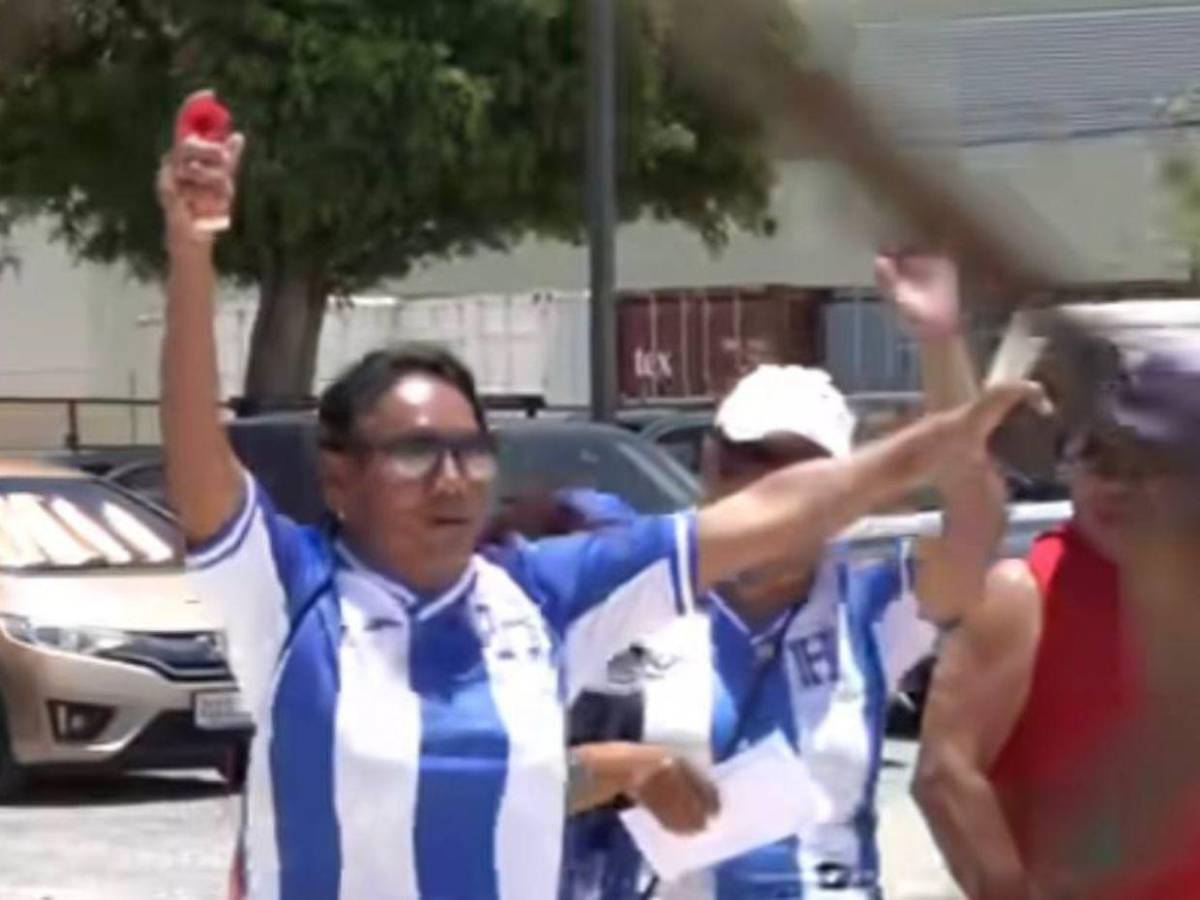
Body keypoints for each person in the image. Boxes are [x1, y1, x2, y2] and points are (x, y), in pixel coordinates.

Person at [159, 109, 1038, 900]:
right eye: (416, 452)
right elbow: (200, 457)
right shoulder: (290, 594)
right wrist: (193, 252)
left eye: (471, 450)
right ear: (340, 477)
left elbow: (782, 510)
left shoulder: (542, 597)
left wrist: (935, 439)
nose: (454, 477)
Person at [560, 254, 1006, 899]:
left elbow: (974, 523)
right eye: (748, 459)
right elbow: (511, 778)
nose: (773, 490)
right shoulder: (631, 587)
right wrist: (618, 768)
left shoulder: (869, 607)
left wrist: (939, 340)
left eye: (804, 471)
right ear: (709, 462)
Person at [914, 340, 1200, 899]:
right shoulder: (1025, 595)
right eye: (1098, 460)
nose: (1117, 488)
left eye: (1148, 469)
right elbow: (945, 773)